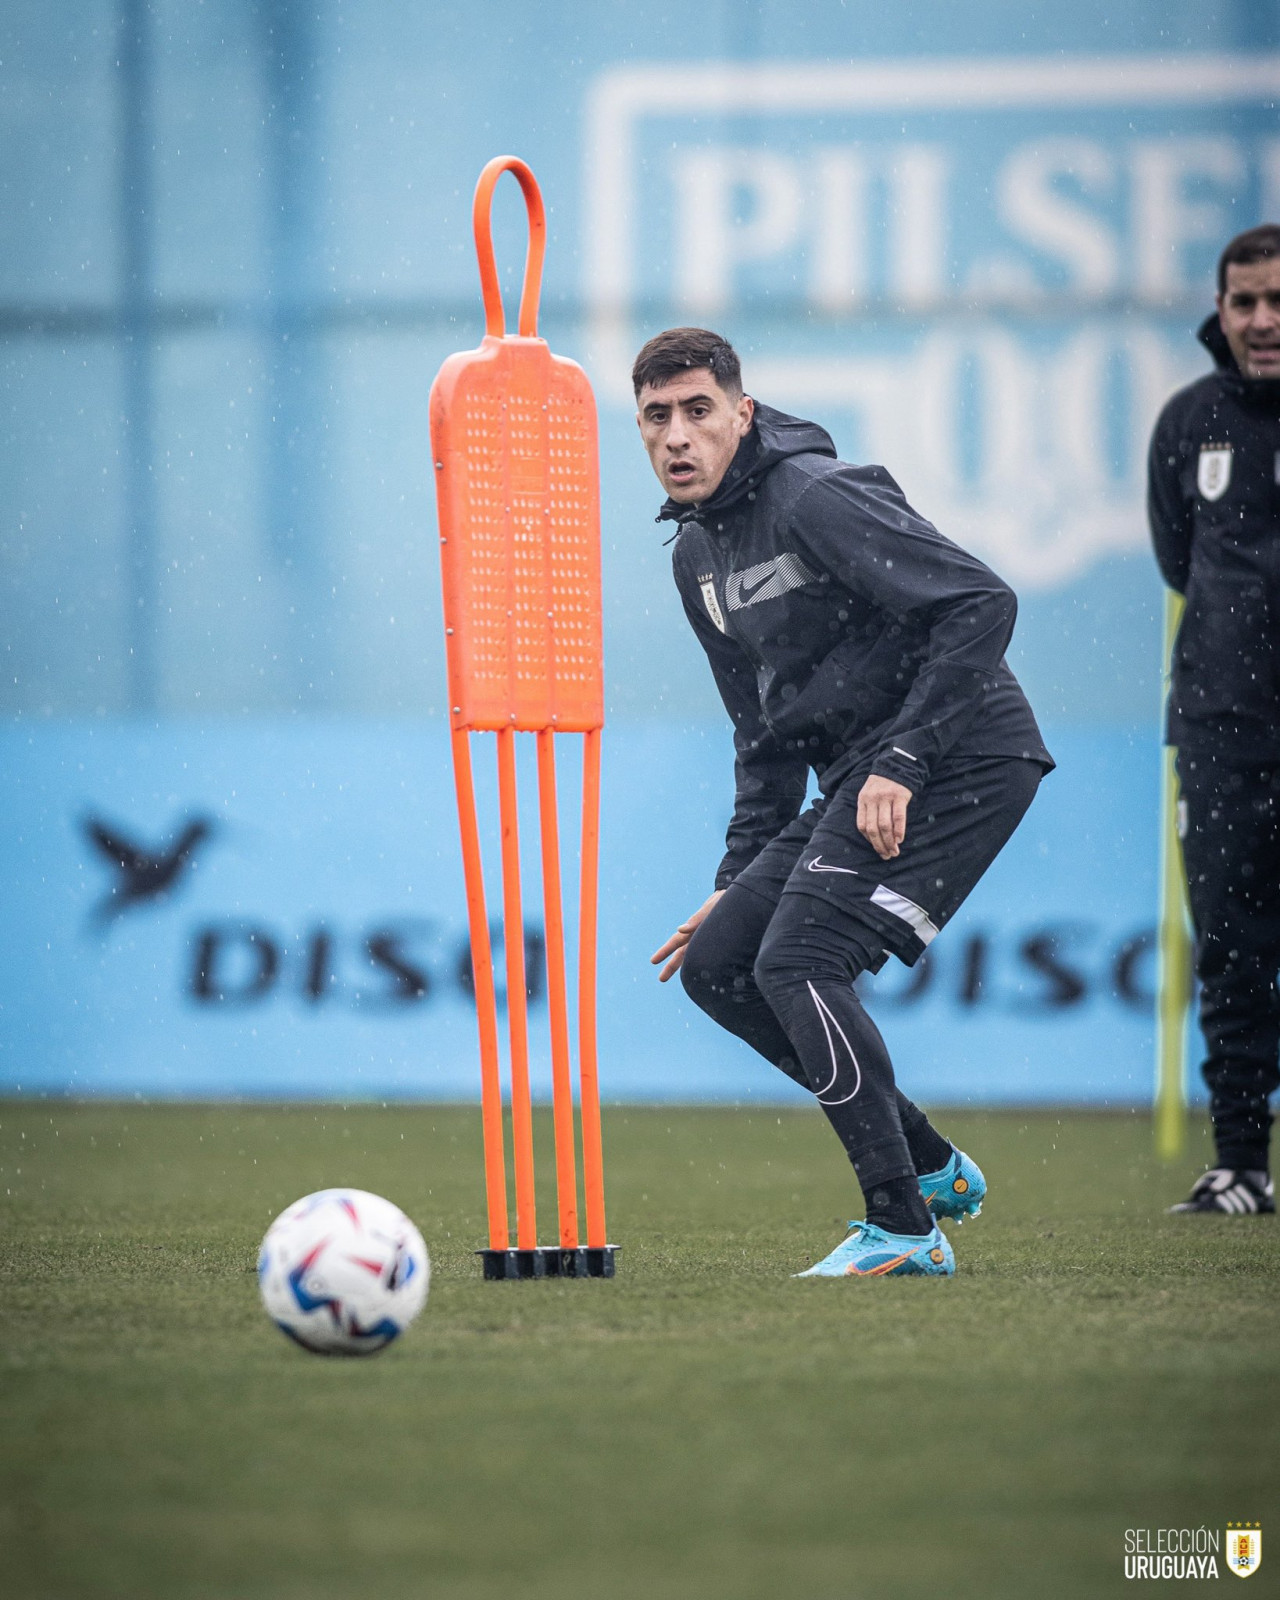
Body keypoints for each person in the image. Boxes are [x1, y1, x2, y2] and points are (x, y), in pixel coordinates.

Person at [635, 327, 1054, 1277]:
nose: (677, 436)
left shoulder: (814, 495)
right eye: (656, 418)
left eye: (699, 410)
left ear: (743, 414)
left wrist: (903, 761)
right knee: (720, 963)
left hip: (966, 756)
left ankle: (903, 1229)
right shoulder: (694, 557)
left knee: (799, 962)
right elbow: (762, 739)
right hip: (863, 772)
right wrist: (737, 877)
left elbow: (982, 603)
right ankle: (931, 1165)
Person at [1148, 222, 1280, 1217]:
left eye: (1276, 300)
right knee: (1231, 945)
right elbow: (1176, 558)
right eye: (1243, 301)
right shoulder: (1188, 421)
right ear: (1219, 309)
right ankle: (1239, 1162)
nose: (1261, 320)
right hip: (1221, 727)